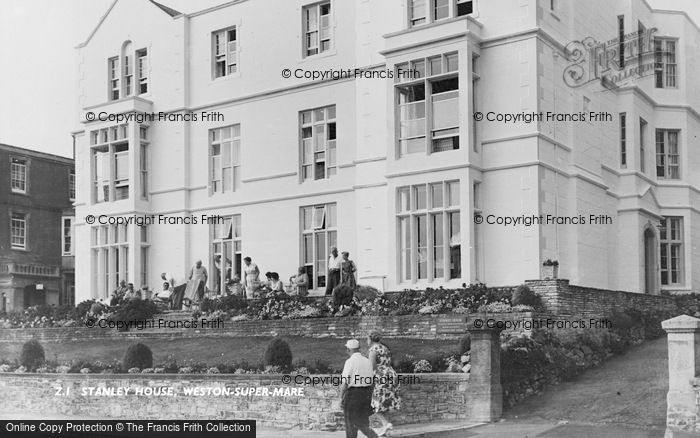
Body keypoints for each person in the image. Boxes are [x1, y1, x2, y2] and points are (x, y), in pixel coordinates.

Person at [340, 339, 378, 438]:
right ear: (359, 349)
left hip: (353, 394)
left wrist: (341, 397)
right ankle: (373, 436)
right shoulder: (367, 361)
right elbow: (371, 381)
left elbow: (345, 382)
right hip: (366, 394)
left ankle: (373, 436)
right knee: (362, 421)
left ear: (348, 350)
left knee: (351, 423)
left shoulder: (349, 362)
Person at [367, 331, 401, 436]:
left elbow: (371, 367)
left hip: (381, 377)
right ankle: (385, 430)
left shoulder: (373, 350)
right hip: (391, 375)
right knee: (385, 405)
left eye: (367, 339)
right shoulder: (385, 348)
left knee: (377, 404)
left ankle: (386, 425)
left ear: (370, 339)